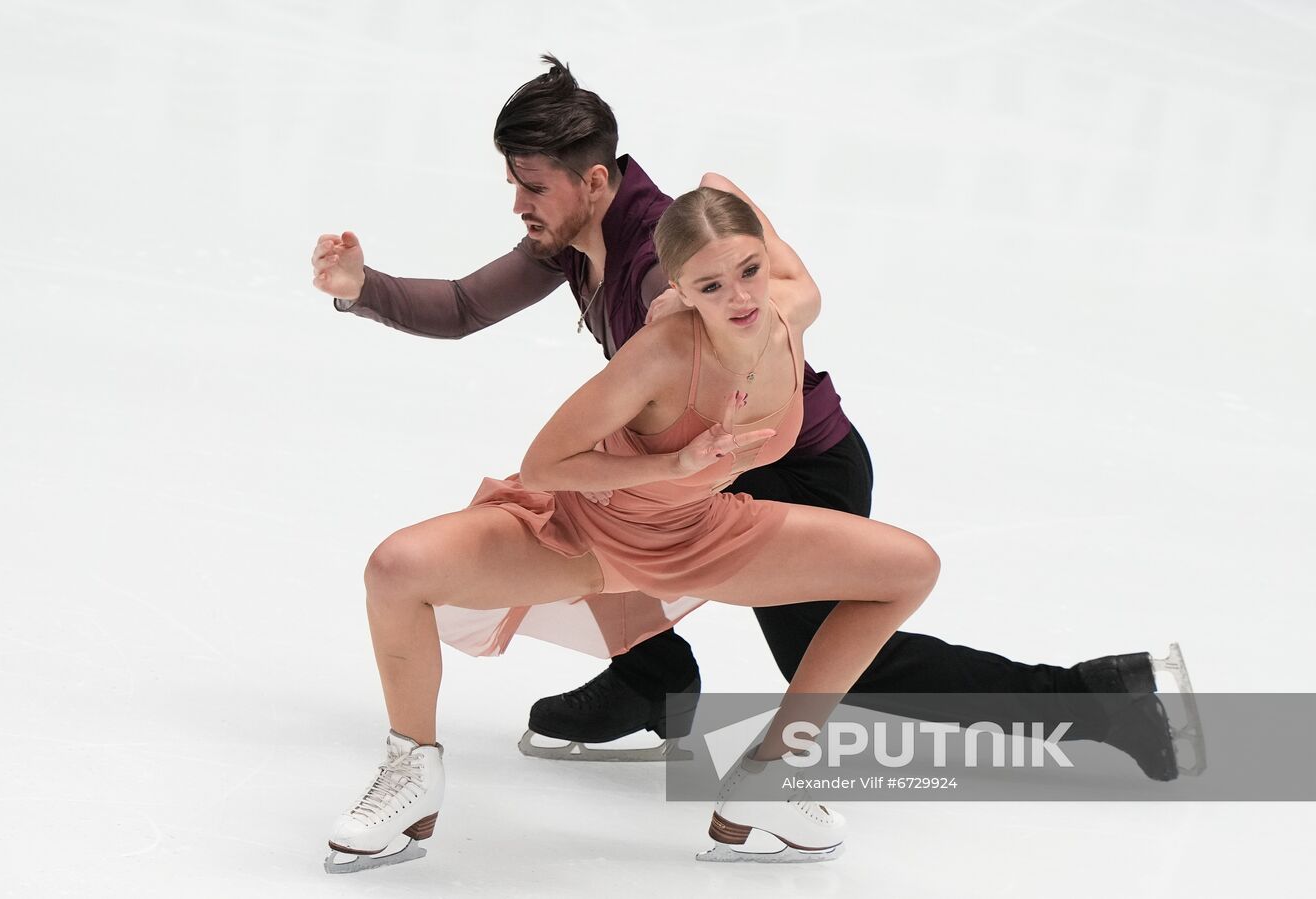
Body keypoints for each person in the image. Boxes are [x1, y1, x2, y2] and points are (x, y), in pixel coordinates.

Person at [312, 56, 1187, 782]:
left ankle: (1103, 698)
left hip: (793, 463)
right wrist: (364, 291)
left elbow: (738, 312)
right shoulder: (577, 233)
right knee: (603, 516)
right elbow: (466, 304)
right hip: (703, 462)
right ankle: (652, 683)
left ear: (592, 180)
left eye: (530, 186)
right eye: (512, 182)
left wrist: (709, 326)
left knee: (841, 655)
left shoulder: (661, 249)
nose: (517, 204)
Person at [323, 181, 941, 873]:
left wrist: (716, 200)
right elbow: (546, 462)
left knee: (910, 568)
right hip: (590, 535)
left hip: (704, 534)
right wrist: (674, 461)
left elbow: (731, 199)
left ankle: (772, 771)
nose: (739, 297)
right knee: (395, 569)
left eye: (748, 270)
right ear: (676, 287)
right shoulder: (660, 354)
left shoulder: (791, 308)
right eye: (710, 285)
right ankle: (412, 776)